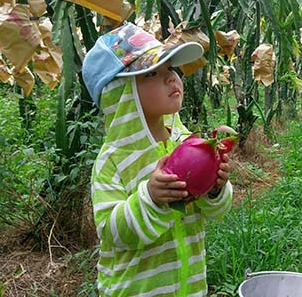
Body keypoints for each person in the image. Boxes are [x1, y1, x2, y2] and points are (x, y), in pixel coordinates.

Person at [81, 23, 234, 296]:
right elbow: (110, 231)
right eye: (152, 73)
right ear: (121, 93)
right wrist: (150, 198)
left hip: (190, 288)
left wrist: (216, 189)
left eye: (170, 69)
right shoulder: (113, 159)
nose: (171, 79)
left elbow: (216, 213)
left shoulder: (189, 144)